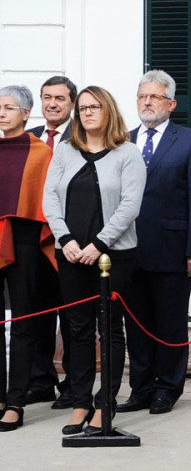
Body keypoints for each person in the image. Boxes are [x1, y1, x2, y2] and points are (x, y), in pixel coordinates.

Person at [43, 86, 145, 435]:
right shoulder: (65, 150)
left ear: (109, 111)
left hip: (113, 257)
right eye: (82, 107)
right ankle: (81, 402)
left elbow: (130, 206)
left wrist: (99, 243)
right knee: (78, 329)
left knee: (110, 329)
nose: (87, 113)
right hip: (70, 254)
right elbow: (50, 201)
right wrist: (67, 240)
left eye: (94, 107)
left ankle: (106, 404)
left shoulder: (128, 153)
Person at [113, 70, 191, 416]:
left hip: (172, 248)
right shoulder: (122, 142)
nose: (148, 102)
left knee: (169, 323)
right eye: (142, 97)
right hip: (127, 250)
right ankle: (140, 388)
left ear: (171, 103)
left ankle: (166, 388)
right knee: (136, 324)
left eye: (155, 97)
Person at [0, 85, 55, 431]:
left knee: (23, 322)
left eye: (9, 107)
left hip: (25, 242)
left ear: (25, 113)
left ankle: (16, 402)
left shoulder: (40, 152)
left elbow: (45, 202)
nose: (2, 112)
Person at [25, 76, 78, 410]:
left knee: (74, 318)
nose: (53, 104)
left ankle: (74, 385)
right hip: (33, 243)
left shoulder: (84, 138)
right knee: (36, 314)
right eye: (47, 97)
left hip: (71, 242)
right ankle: (40, 381)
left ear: (72, 102)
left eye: (60, 98)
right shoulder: (27, 139)